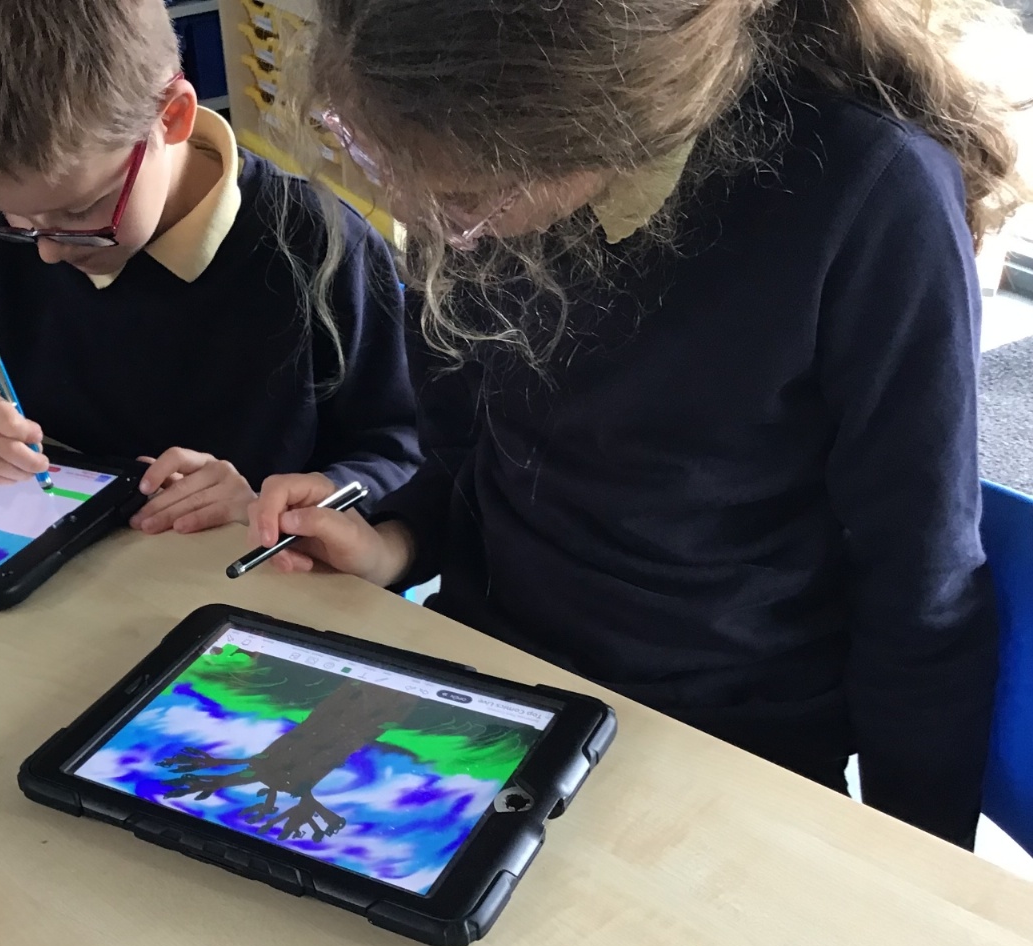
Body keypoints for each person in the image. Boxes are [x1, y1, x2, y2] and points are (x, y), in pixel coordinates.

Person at [250, 0, 1029, 845]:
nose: (428, 222)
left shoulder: (867, 196)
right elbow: (467, 455)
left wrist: (916, 865)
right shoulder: (457, 136)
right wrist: (392, 542)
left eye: (464, 198)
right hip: (493, 683)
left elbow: (919, 587)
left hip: (721, 744)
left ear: (594, 129)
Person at [0, 0, 419, 537]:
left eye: (78, 212)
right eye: (3, 213)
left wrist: (280, 503)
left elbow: (406, 454)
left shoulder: (318, 248)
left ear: (173, 118)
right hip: (67, 580)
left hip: (246, 598)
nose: (43, 249)